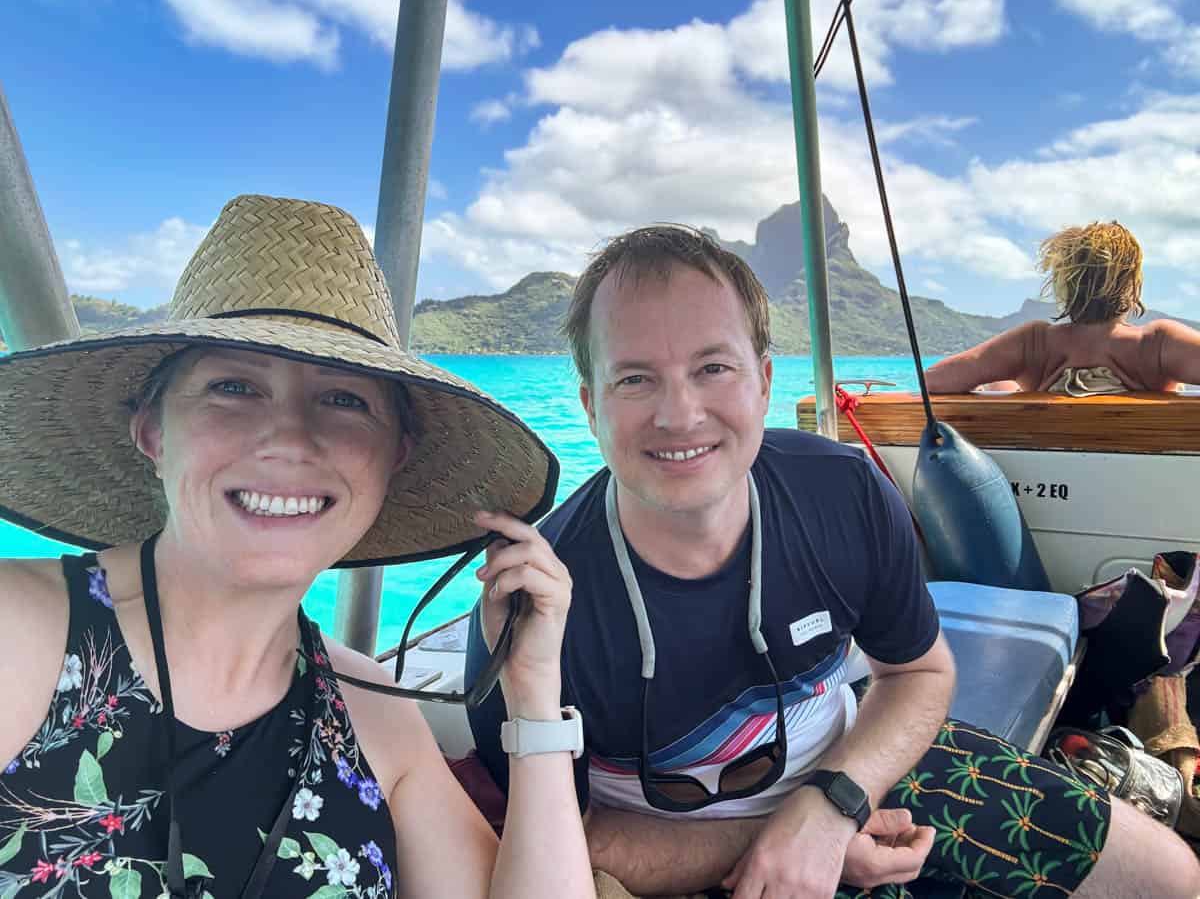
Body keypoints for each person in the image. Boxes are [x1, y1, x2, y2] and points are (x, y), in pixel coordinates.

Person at [466, 224, 1200, 898]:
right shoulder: (535, 605)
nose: (679, 414)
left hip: (859, 772)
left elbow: (917, 673)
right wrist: (792, 836)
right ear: (591, 406)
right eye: (635, 379)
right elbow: (572, 841)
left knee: (1169, 875)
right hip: (679, 854)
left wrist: (830, 805)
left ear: (762, 380)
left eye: (712, 367)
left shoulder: (842, 491)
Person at [0, 195, 595, 898]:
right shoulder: (22, 633)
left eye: (344, 400)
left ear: (392, 457)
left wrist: (532, 697)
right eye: (233, 387)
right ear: (153, 434)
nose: (288, 438)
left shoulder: (373, 713)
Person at [925, 221, 1200, 395]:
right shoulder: (1155, 345)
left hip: (1050, 476)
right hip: (1142, 478)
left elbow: (934, 381)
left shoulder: (1034, 344)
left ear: (1064, 284)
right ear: (1132, 284)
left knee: (1002, 386)